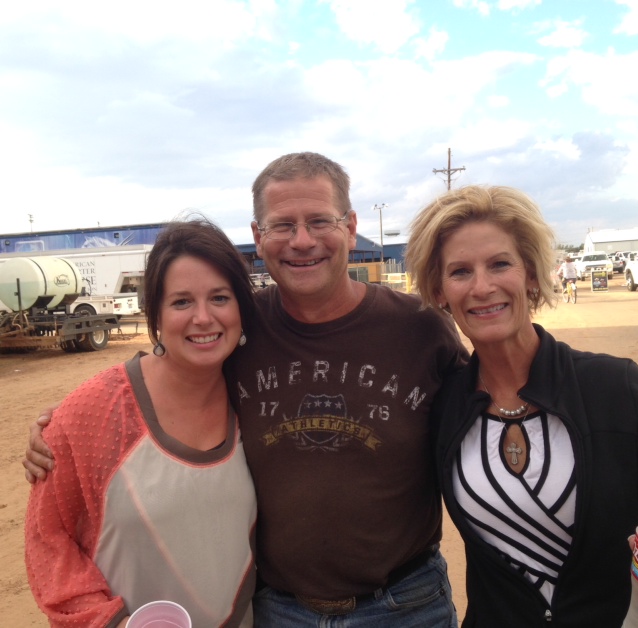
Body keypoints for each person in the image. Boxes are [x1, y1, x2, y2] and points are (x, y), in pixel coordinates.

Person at [25, 152, 467, 627]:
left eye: (320, 220)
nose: (302, 241)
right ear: (258, 237)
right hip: (278, 610)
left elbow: (484, 412)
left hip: (406, 604)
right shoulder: (241, 328)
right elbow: (170, 365)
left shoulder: (421, 330)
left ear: (351, 225)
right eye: (282, 225)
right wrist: (69, 425)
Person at [405, 184, 638, 627]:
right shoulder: (442, 409)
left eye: (499, 264)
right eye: (459, 272)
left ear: (531, 273)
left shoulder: (617, 387)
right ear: (439, 291)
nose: (482, 286)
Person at [24, 218, 258, 627]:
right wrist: (105, 621)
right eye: (182, 302)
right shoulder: (92, 413)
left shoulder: (257, 394)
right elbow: (47, 538)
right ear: (155, 313)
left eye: (219, 298)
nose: (203, 318)